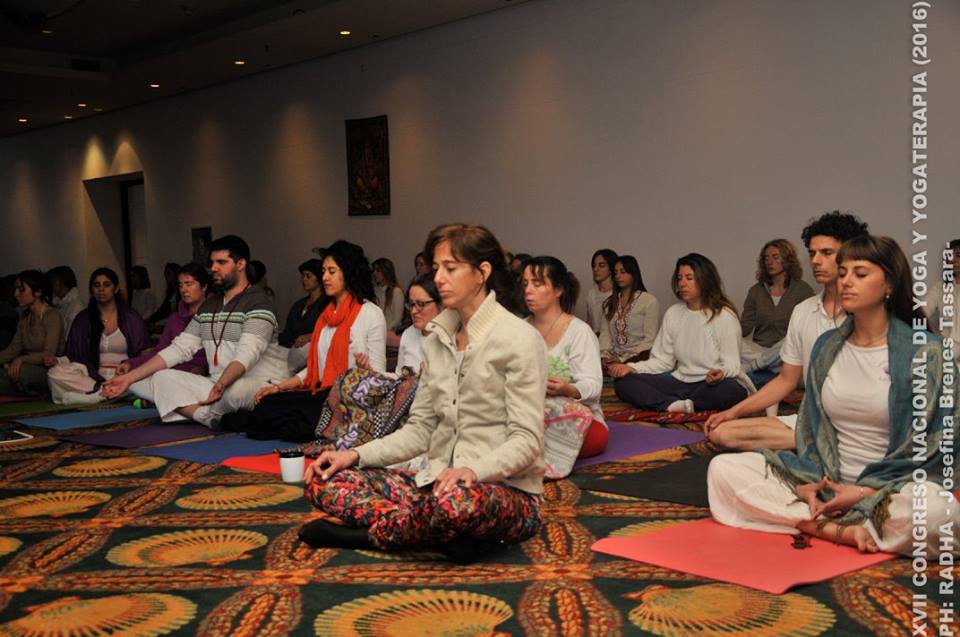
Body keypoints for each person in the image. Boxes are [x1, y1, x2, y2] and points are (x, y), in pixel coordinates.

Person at [299, 223, 547, 558]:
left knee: (458, 504)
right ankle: (434, 534)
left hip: (500, 492)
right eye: (436, 268)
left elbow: (527, 440)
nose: (439, 278)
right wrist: (354, 455)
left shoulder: (519, 338)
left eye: (450, 268)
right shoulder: (436, 340)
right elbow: (420, 430)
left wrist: (473, 472)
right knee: (326, 479)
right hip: (435, 486)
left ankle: (370, 536)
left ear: (482, 273)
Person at [708, 235, 958, 556]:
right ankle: (831, 527)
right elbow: (810, 431)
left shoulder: (927, 353)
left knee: (936, 515)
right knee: (723, 470)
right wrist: (807, 484)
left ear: (889, 284)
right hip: (825, 480)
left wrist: (863, 492)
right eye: (842, 273)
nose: (846, 282)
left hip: (892, 489)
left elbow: (937, 448)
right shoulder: (828, 346)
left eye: (860, 273)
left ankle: (814, 519)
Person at [704, 211, 869, 450]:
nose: (816, 260)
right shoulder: (804, 311)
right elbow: (785, 379)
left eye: (826, 253)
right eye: (812, 253)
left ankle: (830, 444)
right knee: (722, 432)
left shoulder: (870, 311)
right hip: (812, 422)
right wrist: (733, 412)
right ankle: (819, 444)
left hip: (860, 425)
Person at [101, 235, 289, 427]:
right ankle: (206, 416)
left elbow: (247, 354)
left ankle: (197, 410)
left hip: (260, 383)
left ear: (241, 264)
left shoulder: (259, 303)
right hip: (216, 384)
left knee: (235, 391)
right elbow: (179, 349)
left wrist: (221, 385)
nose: (213, 268)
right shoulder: (209, 306)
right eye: (212, 262)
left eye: (221, 262)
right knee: (153, 378)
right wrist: (128, 378)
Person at [244, 240, 386, 441]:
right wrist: (278, 387)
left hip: (348, 399)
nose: (325, 277)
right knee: (267, 404)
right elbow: (313, 370)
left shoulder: (370, 313)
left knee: (294, 417)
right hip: (320, 393)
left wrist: (366, 370)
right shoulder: (325, 316)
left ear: (348, 273)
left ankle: (322, 426)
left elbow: (380, 376)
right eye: (324, 271)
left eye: (331, 271)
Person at [610, 253, 749, 413]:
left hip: (710, 385)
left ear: (705, 280)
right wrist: (631, 368)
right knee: (623, 382)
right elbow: (662, 361)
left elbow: (732, 364)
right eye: (679, 278)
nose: (682, 284)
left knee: (731, 390)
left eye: (689, 278)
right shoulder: (673, 313)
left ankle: (679, 403)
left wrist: (721, 373)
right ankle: (675, 405)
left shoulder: (724, 315)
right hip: (679, 382)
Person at [523, 256, 607, 458]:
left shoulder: (579, 332)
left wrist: (568, 389)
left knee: (592, 436)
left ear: (558, 290)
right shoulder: (519, 329)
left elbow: (593, 386)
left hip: (571, 416)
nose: (528, 290)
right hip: (527, 412)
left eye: (537, 284)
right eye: (525, 284)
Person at [48, 268, 150, 404]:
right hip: (91, 377)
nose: (101, 289)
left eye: (107, 285)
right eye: (97, 285)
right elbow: (74, 355)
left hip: (124, 375)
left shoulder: (131, 318)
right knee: (55, 372)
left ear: (116, 288)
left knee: (153, 374)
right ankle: (104, 392)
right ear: (91, 290)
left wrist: (131, 367)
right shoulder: (83, 319)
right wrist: (58, 361)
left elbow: (144, 353)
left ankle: (97, 396)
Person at [120, 263, 211, 405]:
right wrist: (130, 364)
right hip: (171, 374)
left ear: (204, 287)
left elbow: (220, 354)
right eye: (180, 285)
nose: (184, 289)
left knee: (164, 379)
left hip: (203, 376)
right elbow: (161, 352)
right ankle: (163, 399)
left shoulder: (216, 314)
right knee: (134, 382)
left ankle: (160, 399)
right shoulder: (175, 319)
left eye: (189, 284)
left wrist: (203, 368)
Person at [740, 239, 814, 387]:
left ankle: (758, 367)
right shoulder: (756, 291)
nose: (769, 262)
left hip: (787, 351)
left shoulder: (803, 290)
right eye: (766, 258)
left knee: (792, 338)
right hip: (760, 350)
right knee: (734, 341)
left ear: (787, 259)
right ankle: (770, 366)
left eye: (775, 257)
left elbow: (806, 330)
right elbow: (744, 327)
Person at [0, 270, 64, 396]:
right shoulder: (25, 318)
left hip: (50, 370)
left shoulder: (52, 315)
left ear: (38, 292)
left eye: (21, 290)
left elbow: (49, 353)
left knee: (21, 372)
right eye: (15, 290)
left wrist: (21, 359)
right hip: (28, 366)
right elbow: (13, 349)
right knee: (8, 373)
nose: (16, 294)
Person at [598, 255, 659, 369]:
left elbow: (650, 339)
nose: (618, 276)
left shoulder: (649, 301)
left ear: (633, 273)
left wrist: (623, 359)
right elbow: (605, 335)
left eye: (623, 272)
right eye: (616, 272)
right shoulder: (609, 303)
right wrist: (606, 356)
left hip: (639, 358)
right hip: (612, 358)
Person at [278, 258, 326, 371]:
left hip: (310, 355)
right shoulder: (299, 304)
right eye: (303, 276)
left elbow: (331, 331)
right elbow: (288, 330)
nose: (304, 279)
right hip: (290, 349)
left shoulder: (327, 304)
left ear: (319, 278)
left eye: (308, 276)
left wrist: (310, 336)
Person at [395, 274, 443, 374]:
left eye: (421, 304)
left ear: (440, 304)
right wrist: (373, 374)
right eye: (411, 304)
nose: (413, 311)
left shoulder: (452, 338)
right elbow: (399, 377)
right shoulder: (408, 334)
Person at [584, 249, 617, 335]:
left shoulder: (618, 294)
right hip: (594, 339)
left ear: (611, 268)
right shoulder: (591, 294)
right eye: (594, 266)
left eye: (601, 265)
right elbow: (589, 323)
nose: (595, 269)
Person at [47, 265, 85, 334]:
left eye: (53, 280)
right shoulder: (58, 305)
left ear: (63, 281)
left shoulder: (76, 306)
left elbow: (71, 336)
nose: (51, 283)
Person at [372, 257, 405, 332]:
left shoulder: (396, 292)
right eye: (374, 270)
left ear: (386, 272)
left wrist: (383, 331)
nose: (374, 273)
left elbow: (397, 320)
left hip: (390, 332)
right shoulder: (375, 290)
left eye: (378, 271)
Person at [146, 262, 181, 326]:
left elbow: (178, 313)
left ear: (176, 274)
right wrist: (150, 319)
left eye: (168, 273)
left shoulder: (181, 292)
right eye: (165, 273)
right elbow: (163, 310)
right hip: (170, 320)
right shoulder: (171, 292)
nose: (166, 276)